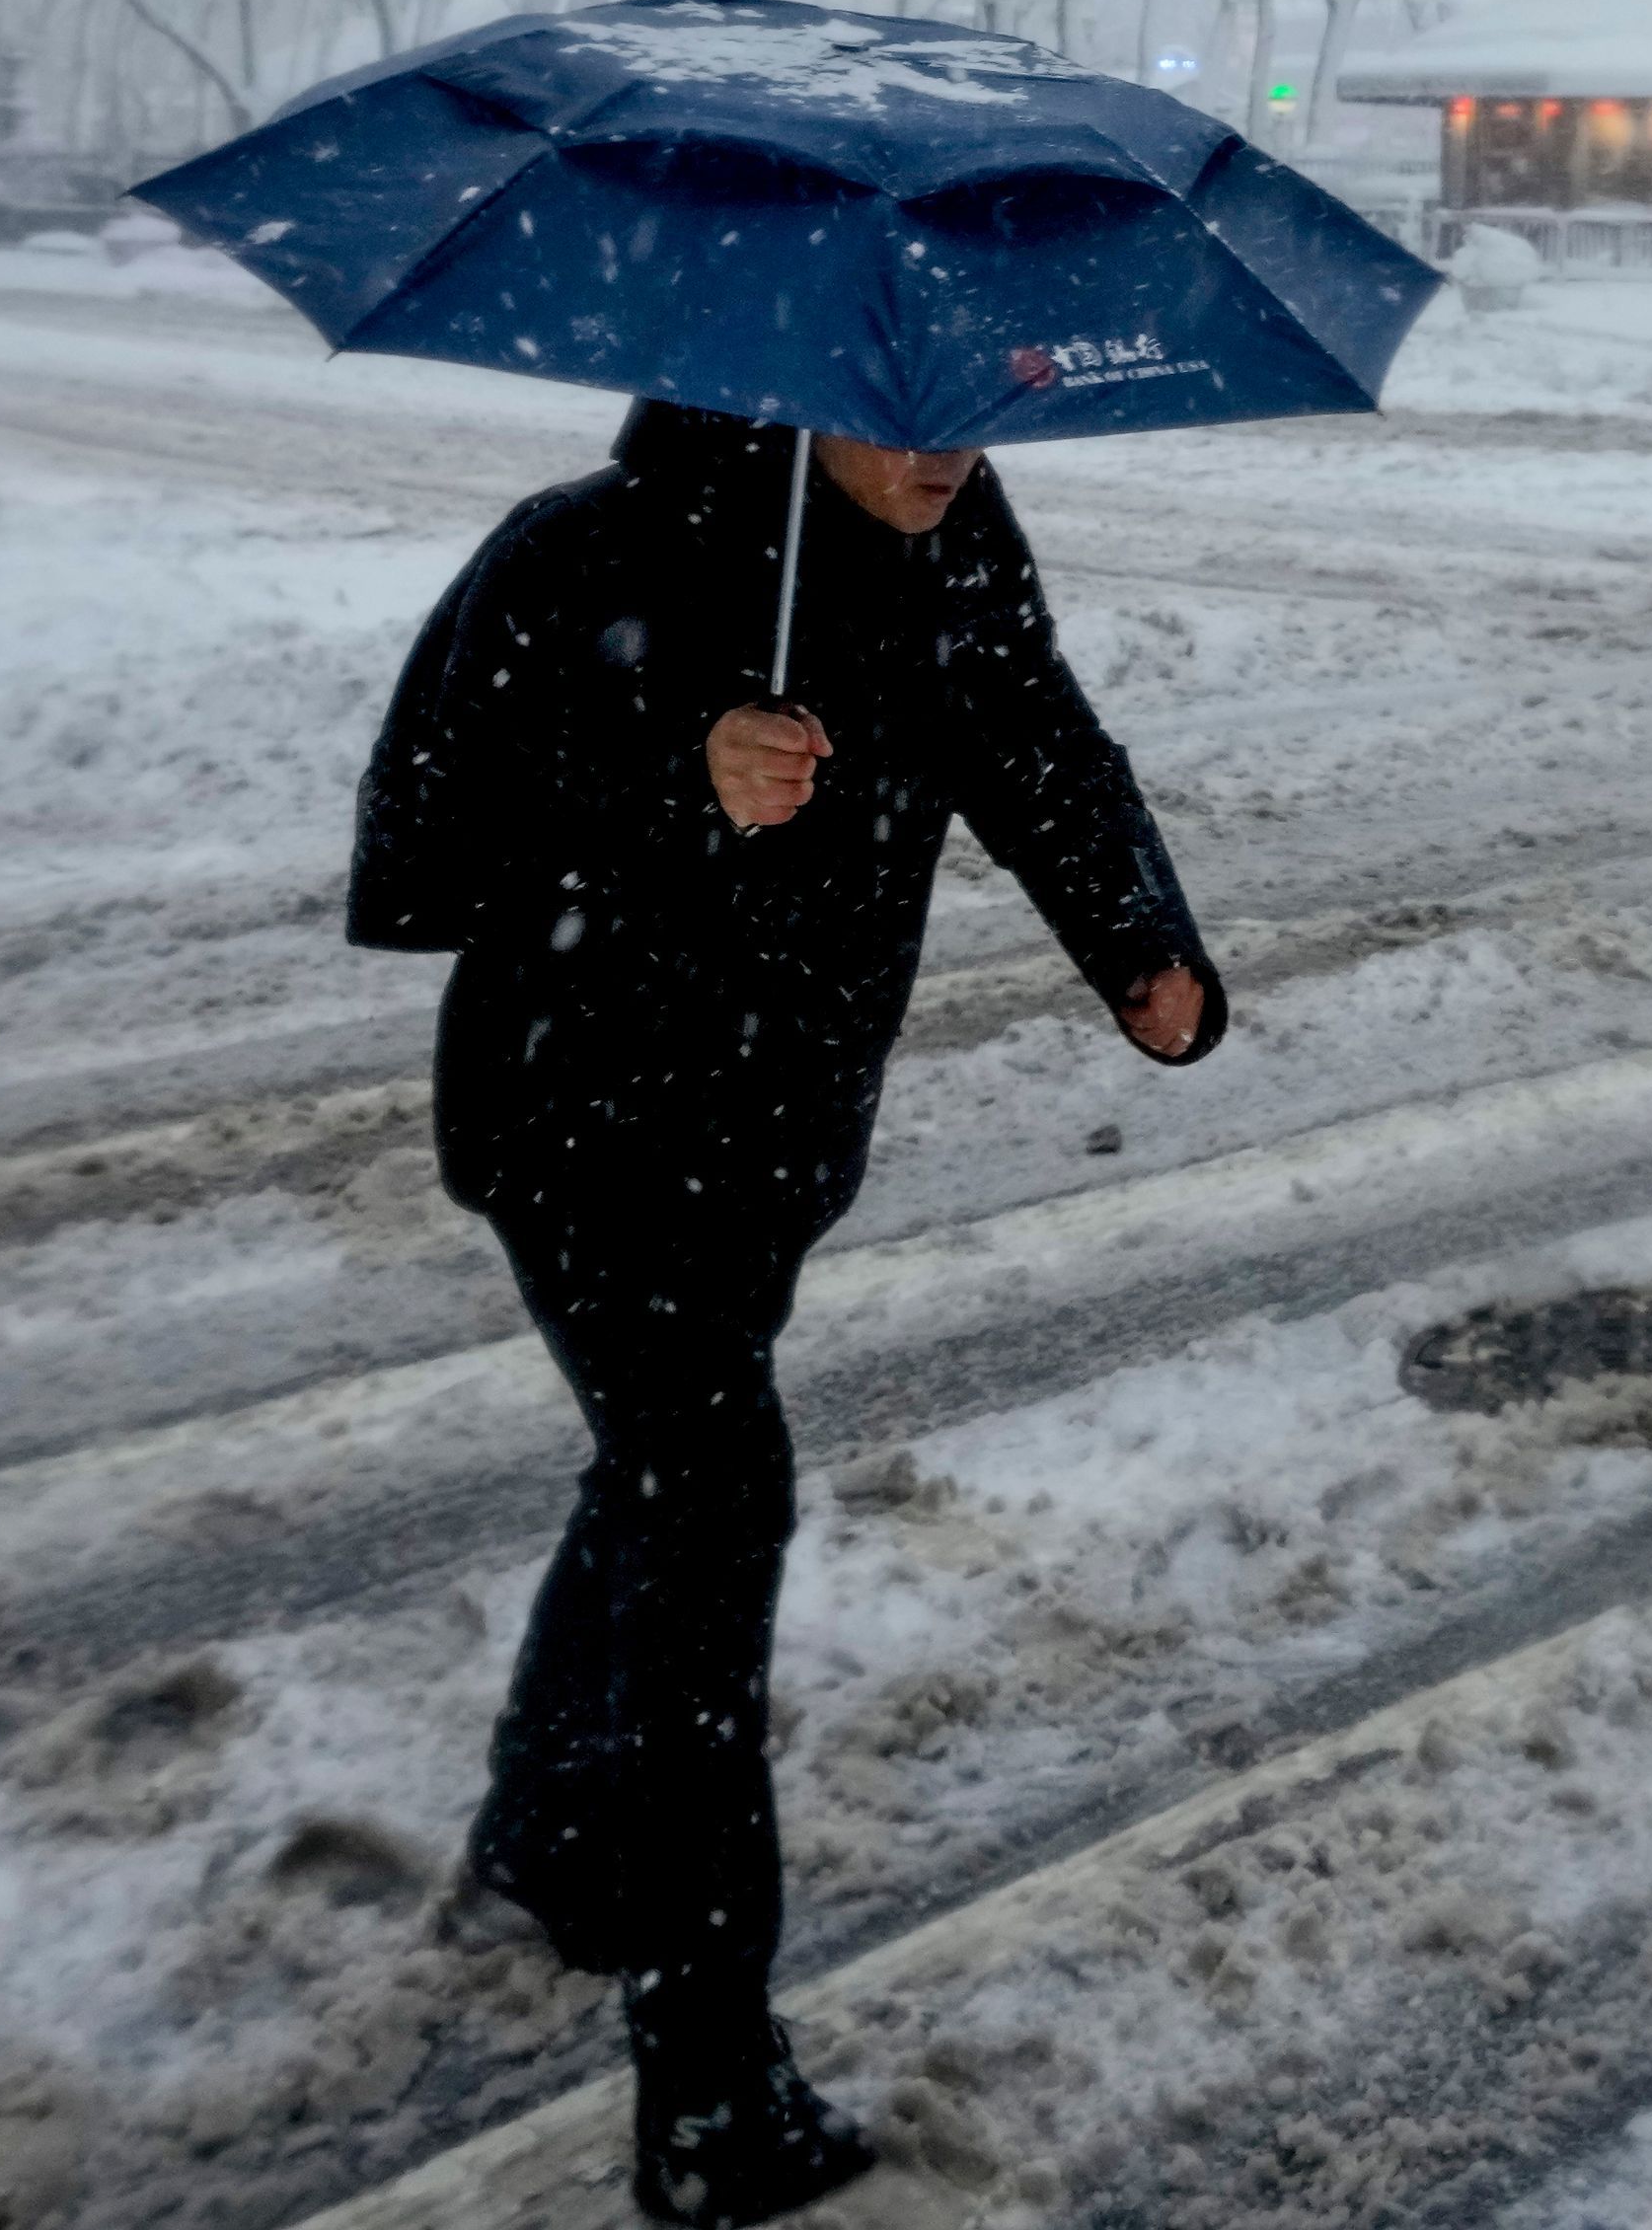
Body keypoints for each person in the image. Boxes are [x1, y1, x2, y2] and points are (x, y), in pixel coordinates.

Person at [352, 400, 1222, 2223]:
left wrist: (1137, 938)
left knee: (654, 1474)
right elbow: (415, 851)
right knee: (708, 1499)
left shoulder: (951, 539)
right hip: (579, 1115)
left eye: (987, 412)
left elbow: (1032, 736)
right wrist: (676, 778)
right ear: (796, 381)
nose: (950, 454)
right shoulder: (576, 549)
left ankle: (547, 1838)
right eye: (910, 418)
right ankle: (708, 2079)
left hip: (777, 1127)